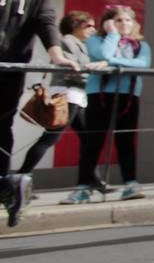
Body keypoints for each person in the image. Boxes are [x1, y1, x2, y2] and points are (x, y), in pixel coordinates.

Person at [0, 0, 80, 224]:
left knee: (1, 127)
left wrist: (57, 55)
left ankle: (7, 184)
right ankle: (9, 185)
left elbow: (46, 26)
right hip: (8, 73)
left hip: (9, 75)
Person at [16, 12, 106, 205]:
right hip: (67, 94)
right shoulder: (68, 41)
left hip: (76, 95)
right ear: (75, 25)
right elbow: (72, 69)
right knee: (50, 138)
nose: (92, 29)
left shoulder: (79, 43)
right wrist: (94, 67)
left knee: (87, 139)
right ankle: (21, 178)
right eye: (88, 25)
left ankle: (94, 178)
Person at [82, 5, 152, 202]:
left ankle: (130, 183)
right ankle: (83, 186)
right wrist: (112, 35)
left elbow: (143, 64)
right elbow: (102, 54)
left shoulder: (141, 45)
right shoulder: (96, 40)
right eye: (118, 20)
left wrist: (109, 63)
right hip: (100, 94)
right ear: (108, 22)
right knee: (93, 142)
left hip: (128, 96)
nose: (124, 24)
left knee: (126, 141)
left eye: (128, 20)